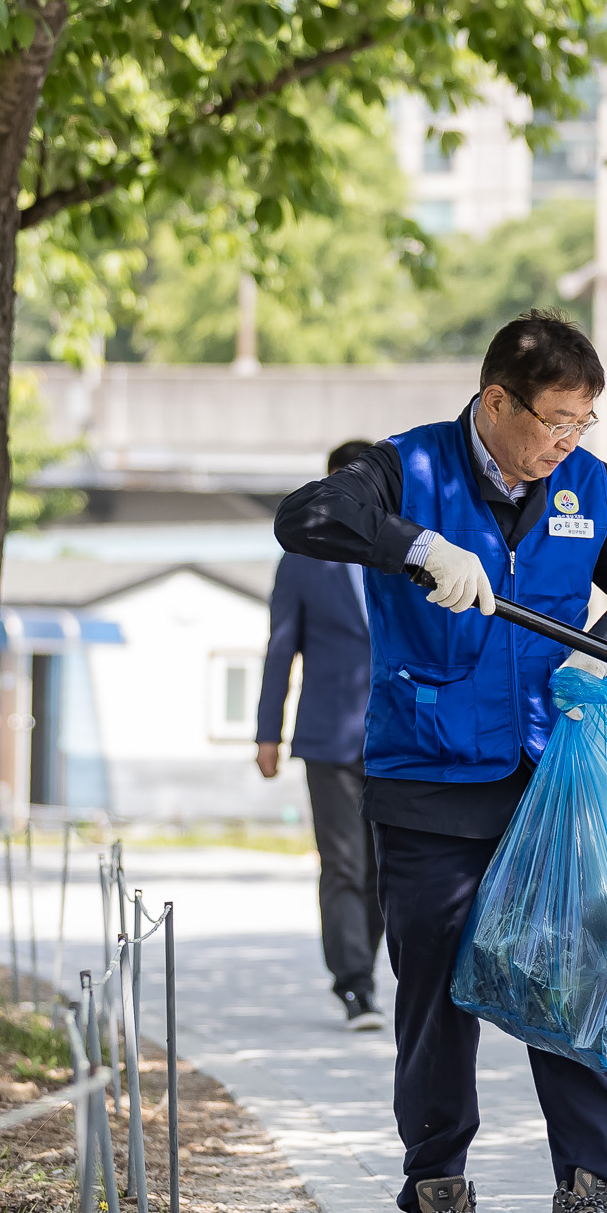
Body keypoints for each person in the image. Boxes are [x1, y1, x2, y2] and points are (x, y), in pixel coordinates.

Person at [274, 310, 607, 1213]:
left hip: (549, 783)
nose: (566, 442)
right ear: (496, 401)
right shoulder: (406, 468)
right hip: (426, 783)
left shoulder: (586, 486)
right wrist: (415, 545)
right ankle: (440, 1198)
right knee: (435, 996)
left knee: (578, 982)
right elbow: (303, 516)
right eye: (554, 420)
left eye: (583, 422)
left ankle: (590, 1200)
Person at [259, 439, 389, 1033]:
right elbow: (279, 649)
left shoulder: (408, 554)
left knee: (383, 868)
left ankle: (368, 963)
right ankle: (355, 985)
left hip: (398, 736)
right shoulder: (302, 560)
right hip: (328, 737)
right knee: (341, 863)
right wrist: (268, 732)